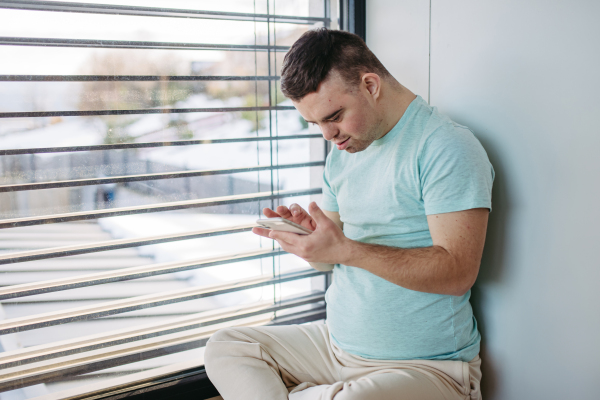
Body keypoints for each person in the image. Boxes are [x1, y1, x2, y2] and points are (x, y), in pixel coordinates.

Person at [204, 28, 494, 400]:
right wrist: (313, 243)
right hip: (335, 346)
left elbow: (458, 272)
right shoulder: (345, 153)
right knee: (227, 346)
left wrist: (345, 250)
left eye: (334, 116)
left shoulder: (446, 147)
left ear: (371, 85)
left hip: (425, 366)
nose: (328, 135)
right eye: (316, 124)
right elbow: (332, 259)